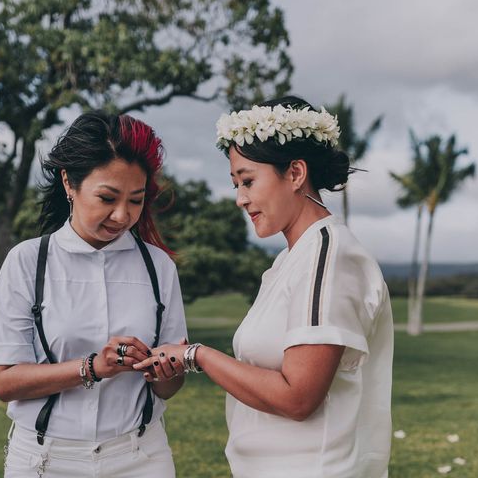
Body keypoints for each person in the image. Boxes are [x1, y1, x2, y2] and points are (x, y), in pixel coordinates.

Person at [135, 96, 394, 478]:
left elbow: (298, 397)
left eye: (248, 180)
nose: (241, 199)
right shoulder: (291, 259)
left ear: (295, 174)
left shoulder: (328, 256)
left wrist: (197, 355)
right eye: (236, 183)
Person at [0, 111, 187, 478]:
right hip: (45, 461)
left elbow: (168, 389)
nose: (123, 215)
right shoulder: (28, 261)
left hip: (141, 457)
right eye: (107, 198)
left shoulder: (159, 267)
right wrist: (92, 367)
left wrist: (164, 370)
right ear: (69, 183)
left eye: (136, 200)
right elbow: (4, 381)